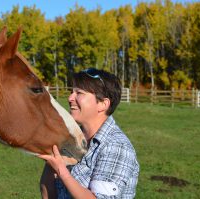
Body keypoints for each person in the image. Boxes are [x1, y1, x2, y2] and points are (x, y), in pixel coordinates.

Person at [38, 68, 139, 199]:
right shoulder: (69, 140)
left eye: (79, 93)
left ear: (103, 104)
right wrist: (51, 162)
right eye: (71, 92)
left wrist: (62, 171)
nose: (70, 98)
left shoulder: (116, 147)